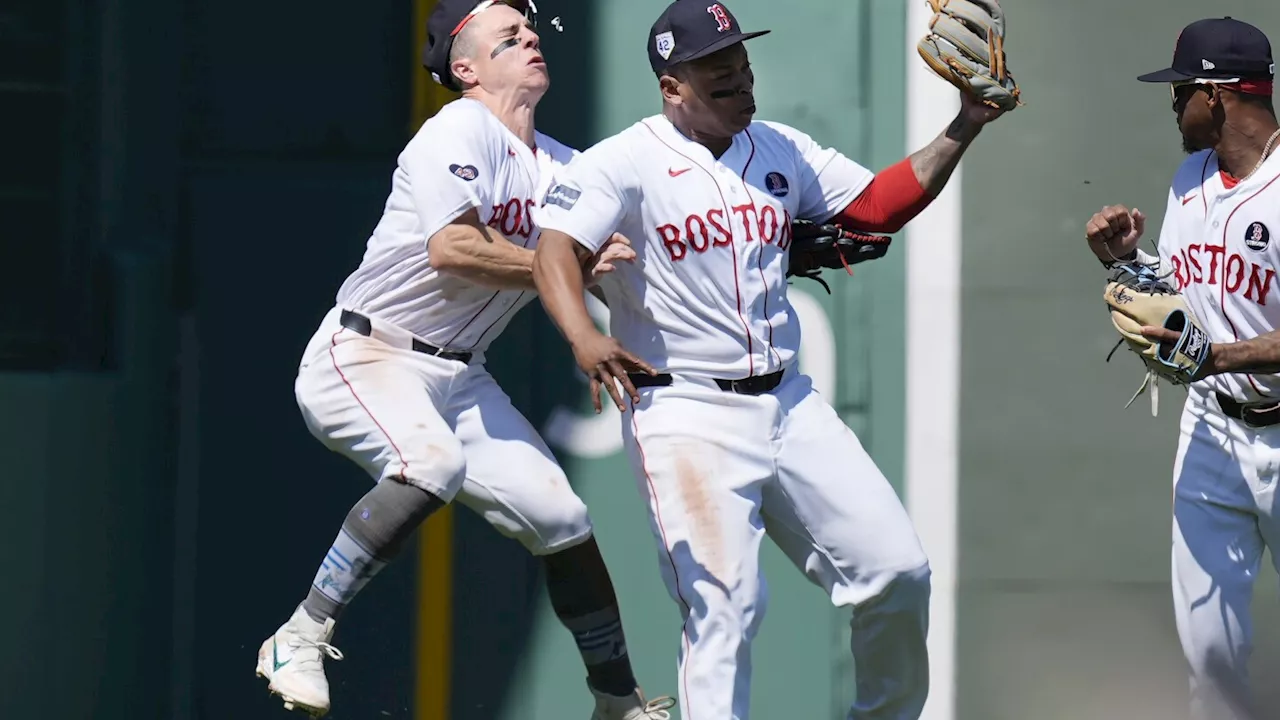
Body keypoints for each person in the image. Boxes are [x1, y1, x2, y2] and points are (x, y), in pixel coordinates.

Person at [528, 1, 1005, 717]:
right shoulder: (622, 163)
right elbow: (553, 250)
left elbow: (874, 207)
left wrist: (966, 122)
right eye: (721, 79)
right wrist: (581, 334)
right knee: (726, 607)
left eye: (744, 69)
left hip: (788, 402)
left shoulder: (779, 147)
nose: (743, 86)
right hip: (685, 411)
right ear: (673, 88)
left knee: (896, 572)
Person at [254, 2, 674, 718]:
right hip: (367, 351)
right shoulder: (459, 126)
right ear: (465, 67)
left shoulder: (568, 168)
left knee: (561, 515)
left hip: (459, 375)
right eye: (507, 37)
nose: (530, 39)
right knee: (433, 464)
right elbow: (454, 250)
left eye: (531, 31)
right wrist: (564, 268)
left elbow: (621, 273)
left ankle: (616, 700)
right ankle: (301, 631)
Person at [1084, 16, 1280, 720]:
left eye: (1181, 93)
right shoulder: (1190, 177)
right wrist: (1127, 263)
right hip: (1210, 433)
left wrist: (1216, 355)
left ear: (1218, 95)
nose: (1174, 105)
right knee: (1212, 662)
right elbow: (1180, 299)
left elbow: (1210, 345)